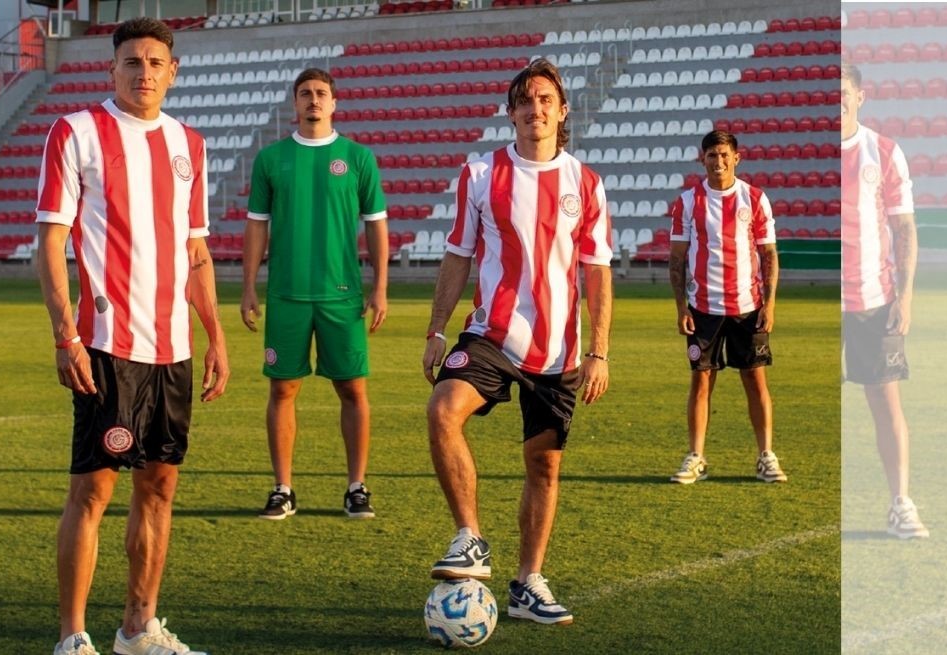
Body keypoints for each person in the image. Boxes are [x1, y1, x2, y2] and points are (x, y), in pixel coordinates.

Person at [35, 17, 227, 655]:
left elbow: (196, 252)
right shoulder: (76, 132)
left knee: (160, 487)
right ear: (111, 68)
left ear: (173, 72)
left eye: (155, 62)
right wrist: (65, 334)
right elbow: (51, 241)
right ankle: (72, 637)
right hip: (106, 345)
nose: (144, 72)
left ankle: (138, 630)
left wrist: (216, 336)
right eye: (132, 62)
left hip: (174, 348)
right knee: (93, 490)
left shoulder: (190, 144)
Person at [422, 59, 611, 626]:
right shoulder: (481, 173)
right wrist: (437, 329)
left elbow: (597, 271)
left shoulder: (586, 183)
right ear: (511, 113)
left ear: (563, 110)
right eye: (525, 101)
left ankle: (528, 583)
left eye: (546, 100)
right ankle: (469, 537)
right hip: (492, 335)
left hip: (558, 352)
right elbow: (458, 255)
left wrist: (599, 350)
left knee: (543, 466)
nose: (536, 109)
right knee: (442, 410)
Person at [240, 67, 388, 520]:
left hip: (341, 296)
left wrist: (380, 287)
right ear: (295, 102)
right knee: (282, 389)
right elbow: (256, 227)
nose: (313, 100)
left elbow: (376, 224)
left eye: (321, 93)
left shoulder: (357, 158)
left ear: (334, 103)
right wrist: (248, 287)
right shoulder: (271, 159)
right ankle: (283, 488)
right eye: (305, 93)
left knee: (352, 388)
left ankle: (356, 487)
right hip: (286, 295)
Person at [667, 130, 787, 485]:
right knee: (701, 381)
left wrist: (769, 304)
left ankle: (766, 456)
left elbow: (768, 254)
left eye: (723, 155)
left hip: (747, 307)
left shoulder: (755, 198)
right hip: (703, 308)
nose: (718, 161)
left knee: (755, 379)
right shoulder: (687, 202)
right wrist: (681, 308)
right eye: (711, 155)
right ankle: (696, 457)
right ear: (702, 159)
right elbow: (677, 259)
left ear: (736, 158)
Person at [840, 64, 927, 539]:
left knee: (885, 402)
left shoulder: (885, 152)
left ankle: (901, 503)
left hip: (873, 300)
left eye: (843, 92)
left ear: (860, 96)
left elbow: (904, 229)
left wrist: (905, 297)